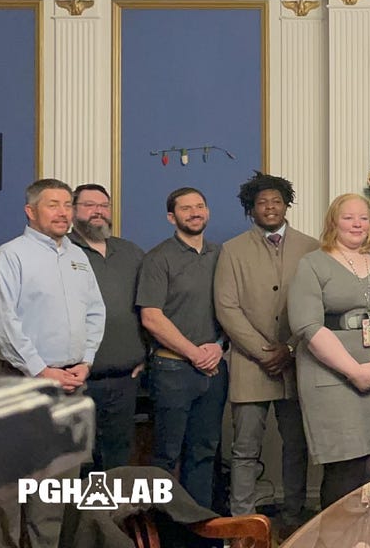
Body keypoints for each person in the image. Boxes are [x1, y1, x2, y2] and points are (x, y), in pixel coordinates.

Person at [0, 178, 105, 548]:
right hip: (22, 383)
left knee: (56, 490)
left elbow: (95, 312)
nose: (63, 212)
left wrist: (85, 362)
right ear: (30, 211)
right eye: (52, 205)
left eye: (67, 205)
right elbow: (2, 323)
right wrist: (42, 370)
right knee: (7, 493)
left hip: (71, 384)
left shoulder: (77, 256)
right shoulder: (10, 256)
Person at [213, 172, 318, 534]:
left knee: (297, 445)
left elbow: (317, 306)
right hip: (249, 364)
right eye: (262, 202)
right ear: (250, 209)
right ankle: (242, 525)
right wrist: (263, 352)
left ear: (286, 204)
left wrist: (289, 348)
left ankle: (293, 519)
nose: (269, 207)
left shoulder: (312, 247)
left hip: (297, 362)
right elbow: (226, 308)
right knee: (244, 450)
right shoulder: (232, 249)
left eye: (276, 201)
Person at [288, 193, 370, 508]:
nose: (357, 224)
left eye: (363, 218)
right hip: (331, 376)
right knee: (345, 462)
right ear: (333, 222)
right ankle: (336, 537)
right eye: (348, 217)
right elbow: (307, 325)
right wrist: (354, 371)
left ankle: (367, 536)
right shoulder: (312, 263)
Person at [137, 187, 227, 509]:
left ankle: (198, 530)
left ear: (208, 211)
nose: (194, 213)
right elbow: (151, 317)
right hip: (173, 369)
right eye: (186, 208)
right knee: (166, 456)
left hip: (215, 368)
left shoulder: (222, 255)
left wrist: (218, 347)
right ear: (171, 217)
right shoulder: (158, 258)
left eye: (200, 206)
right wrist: (194, 353)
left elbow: (230, 308)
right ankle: (163, 530)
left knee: (205, 452)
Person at [69, 183, 147, 474]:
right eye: (89, 205)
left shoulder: (131, 253)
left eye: (103, 205)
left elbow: (150, 308)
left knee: (117, 457)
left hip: (126, 379)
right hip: (77, 379)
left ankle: (109, 520)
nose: (97, 212)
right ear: (74, 210)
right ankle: (78, 521)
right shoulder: (61, 251)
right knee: (77, 460)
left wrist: (146, 354)